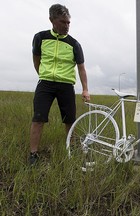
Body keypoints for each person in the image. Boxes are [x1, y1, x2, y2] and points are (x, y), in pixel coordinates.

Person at [29, 4, 90, 165]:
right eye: (63, 22)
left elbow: (81, 68)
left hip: (66, 86)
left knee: (70, 119)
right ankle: (33, 154)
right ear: (52, 20)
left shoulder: (74, 44)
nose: (67, 26)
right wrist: (44, 75)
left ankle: (72, 150)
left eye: (68, 22)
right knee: (38, 118)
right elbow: (36, 60)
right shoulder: (40, 38)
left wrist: (85, 89)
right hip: (45, 84)